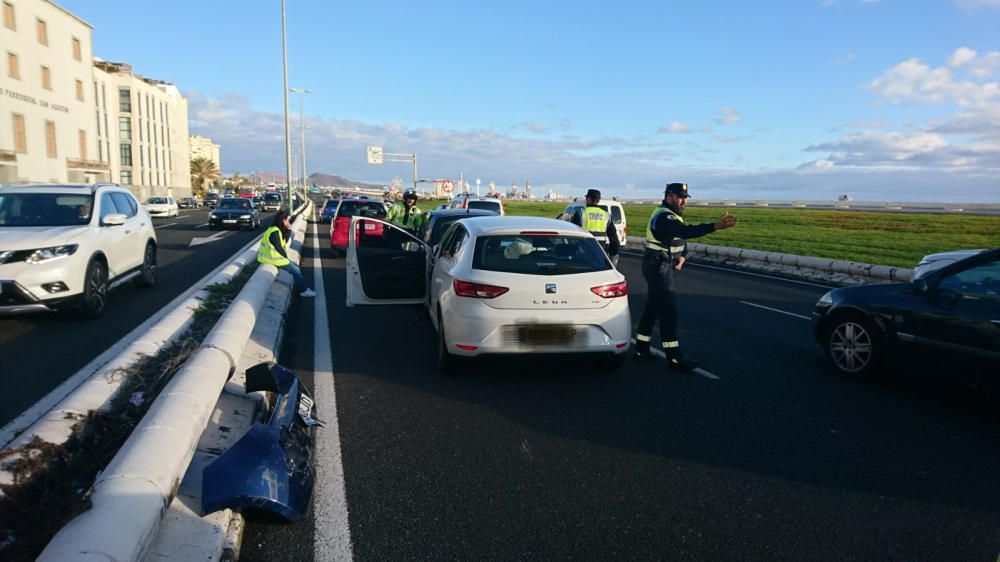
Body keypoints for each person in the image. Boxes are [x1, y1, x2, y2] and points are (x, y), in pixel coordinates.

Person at [634, 182, 737, 370]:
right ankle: (674, 357)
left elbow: (679, 237)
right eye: (680, 197)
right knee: (669, 311)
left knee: (653, 308)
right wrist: (715, 226)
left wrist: (683, 255)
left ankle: (641, 348)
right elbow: (685, 231)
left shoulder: (671, 216)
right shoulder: (664, 216)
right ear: (669, 196)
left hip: (659, 263)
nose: (683, 201)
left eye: (685, 197)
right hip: (658, 265)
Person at [258, 209, 316, 297]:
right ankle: (304, 291)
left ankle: (304, 288)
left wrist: (288, 229)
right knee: (296, 270)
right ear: (283, 220)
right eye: (287, 220)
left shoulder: (276, 229)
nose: (288, 221)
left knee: (296, 268)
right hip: (273, 259)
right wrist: (286, 258)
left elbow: (285, 240)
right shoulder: (275, 232)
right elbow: (279, 248)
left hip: (272, 258)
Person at [570, 188, 620, 265]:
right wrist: (612, 253)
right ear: (598, 200)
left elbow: (572, 237)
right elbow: (614, 240)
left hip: (583, 255)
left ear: (589, 199)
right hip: (600, 255)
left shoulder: (580, 213)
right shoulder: (606, 216)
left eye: (586, 198)